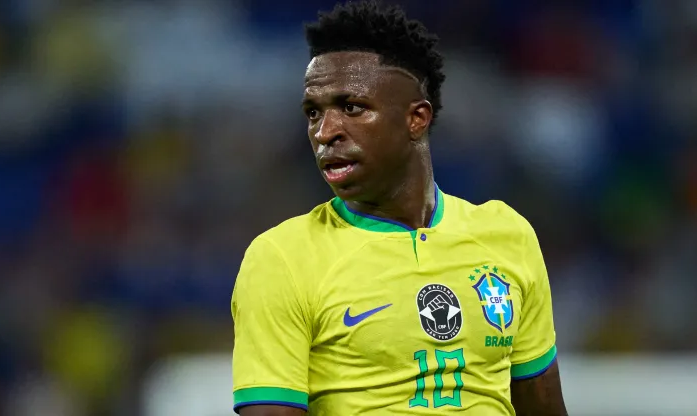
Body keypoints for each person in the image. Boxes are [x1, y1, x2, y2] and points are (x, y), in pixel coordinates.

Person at [231, 1, 567, 415]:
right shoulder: (282, 258)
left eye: (352, 107)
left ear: (416, 119)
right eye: (313, 112)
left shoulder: (508, 236)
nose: (325, 132)